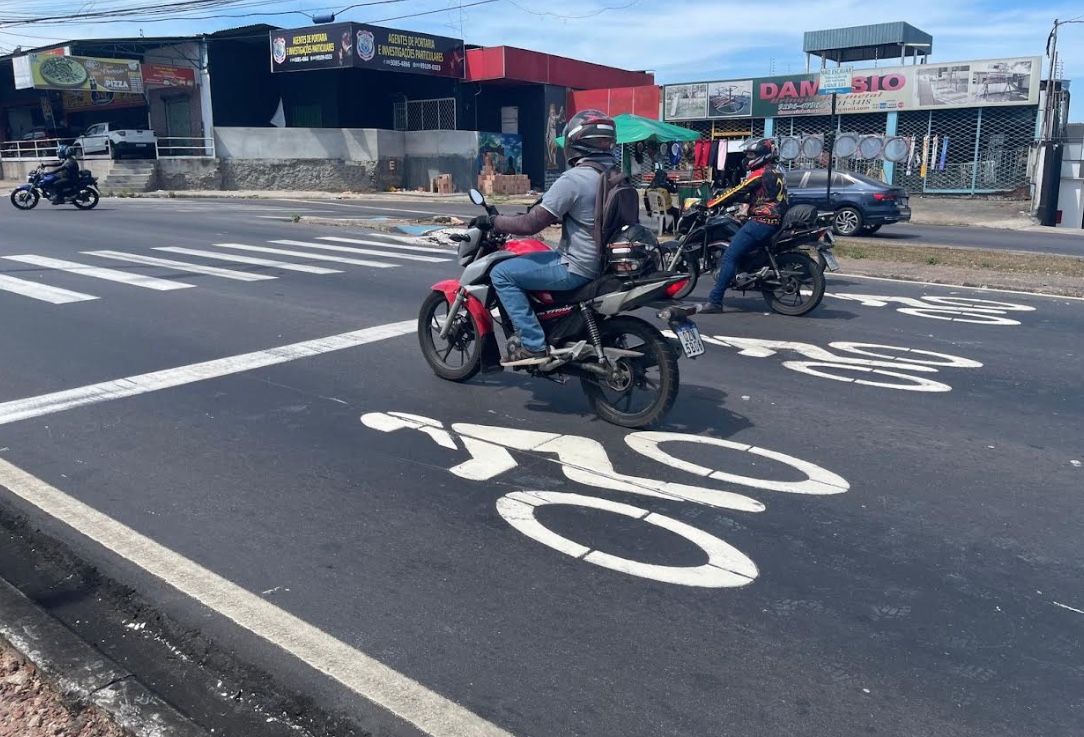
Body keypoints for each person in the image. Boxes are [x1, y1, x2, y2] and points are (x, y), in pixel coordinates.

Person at [469, 109, 617, 366]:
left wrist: (494, 221)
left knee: (502, 273)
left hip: (578, 267)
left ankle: (533, 344)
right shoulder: (615, 176)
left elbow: (530, 224)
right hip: (605, 264)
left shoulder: (574, 179)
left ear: (573, 143)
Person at [700, 138, 788, 314]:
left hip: (762, 221)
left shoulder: (759, 173)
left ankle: (715, 301)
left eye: (752, 155)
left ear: (763, 155)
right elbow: (761, 195)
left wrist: (711, 204)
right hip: (774, 219)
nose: (749, 158)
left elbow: (738, 190)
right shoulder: (777, 171)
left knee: (729, 257)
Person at [643, 167, 680, 234]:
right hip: (666, 208)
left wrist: (648, 210)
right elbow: (675, 191)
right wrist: (671, 183)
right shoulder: (665, 186)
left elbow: (645, 200)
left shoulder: (649, 187)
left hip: (655, 209)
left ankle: (662, 229)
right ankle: (670, 228)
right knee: (678, 212)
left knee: (660, 212)